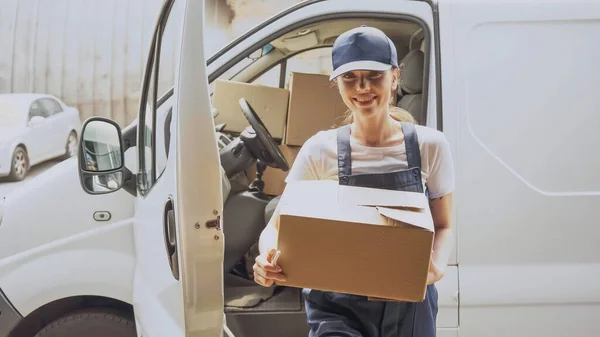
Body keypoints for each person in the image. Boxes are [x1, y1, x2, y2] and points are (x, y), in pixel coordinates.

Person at [253, 25, 455, 337]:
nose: (362, 87)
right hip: (338, 305)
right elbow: (277, 228)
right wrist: (266, 257)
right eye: (349, 76)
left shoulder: (430, 146)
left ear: (395, 77)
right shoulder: (321, 150)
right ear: (336, 83)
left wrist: (434, 269)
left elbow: (443, 224)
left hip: (409, 301)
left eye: (374, 75)